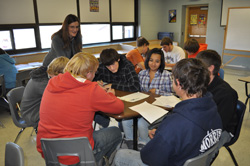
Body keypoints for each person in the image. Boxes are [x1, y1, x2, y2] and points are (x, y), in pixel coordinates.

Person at [114, 58, 223, 166]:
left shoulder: (175, 123)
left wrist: (164, 135)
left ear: (178, 84)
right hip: (195, 157)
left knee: (120, 155)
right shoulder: (212, 107)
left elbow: (148, 158)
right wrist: (163, 134)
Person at [37, 52, 124, 165]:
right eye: (95, 72)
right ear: (88, 74)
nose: (95, 76)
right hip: (75, 154)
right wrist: (110, 94)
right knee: (116, 132)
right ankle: (97, 161)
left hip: (48, 149)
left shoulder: (52, 82)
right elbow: (119, 107)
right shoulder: (91, 89)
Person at [122, 48, 174, 148]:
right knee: (126, 121)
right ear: (147, 60)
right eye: (151, 60)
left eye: (157, 61)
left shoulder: (167, 75)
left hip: (160, 109)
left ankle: (143, 144)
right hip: (143, 107)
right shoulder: (142, 74)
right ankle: (130, 142)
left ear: (161, 62)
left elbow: (171, 95)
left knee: (141, 123)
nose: (153, 64)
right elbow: (138, 91)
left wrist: (157, 92)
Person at [196, 50, 238, 147]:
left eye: (198, 67)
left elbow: (218, 126)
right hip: (203, 121)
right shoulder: (201, 84)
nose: (195, 70)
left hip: (223, 130)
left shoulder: (226, 93)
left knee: (198, 148)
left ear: (210, 68)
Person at [20, 56, 69, 127]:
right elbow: (61, 98)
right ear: (59, 74)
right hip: (32, 113)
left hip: (39, 107)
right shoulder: (42, 83)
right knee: (65, 114)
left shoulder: (45, 75)